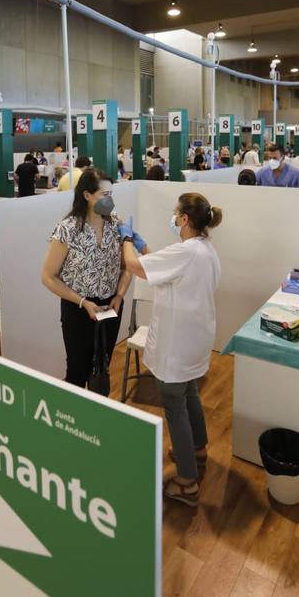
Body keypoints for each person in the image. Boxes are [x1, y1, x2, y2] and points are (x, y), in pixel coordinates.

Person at [119, 192, 222, 507]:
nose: (174, 219)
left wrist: (126, 240)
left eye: (176, 215)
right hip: (196, 338)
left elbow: (134, 266)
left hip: (177, 343)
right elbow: (163, 268)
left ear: (185, 219)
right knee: (189, 392)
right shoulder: (205, 248)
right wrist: (143, 247)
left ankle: (187, 482)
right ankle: (198, 449)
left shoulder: (186, 252)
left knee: (174, 402)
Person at [41, 168, 131, 389]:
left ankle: (97, 409)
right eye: (104, 195)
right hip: (78, 310)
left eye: (111, 194)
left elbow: (126, 267)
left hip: (111, 307)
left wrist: (119, 295)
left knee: (101, 368)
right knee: (76, 371)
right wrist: (83, 302)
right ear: (87, 195)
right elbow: (48, 276)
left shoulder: (116, 224)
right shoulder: (68, 229)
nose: (110, 200)